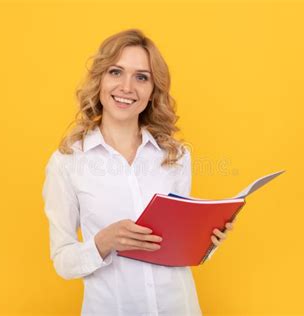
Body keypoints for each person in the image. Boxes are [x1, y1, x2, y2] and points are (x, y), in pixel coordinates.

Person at [42, 28, 234, 315]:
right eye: (116, 72)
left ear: (153, 90)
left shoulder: (176, 156)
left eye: (141, 77)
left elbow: (179, 246)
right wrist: (103, 242)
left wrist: (207, 239)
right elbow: (63, 261)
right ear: (99, 80)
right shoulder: (67, 162)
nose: (127, 87)